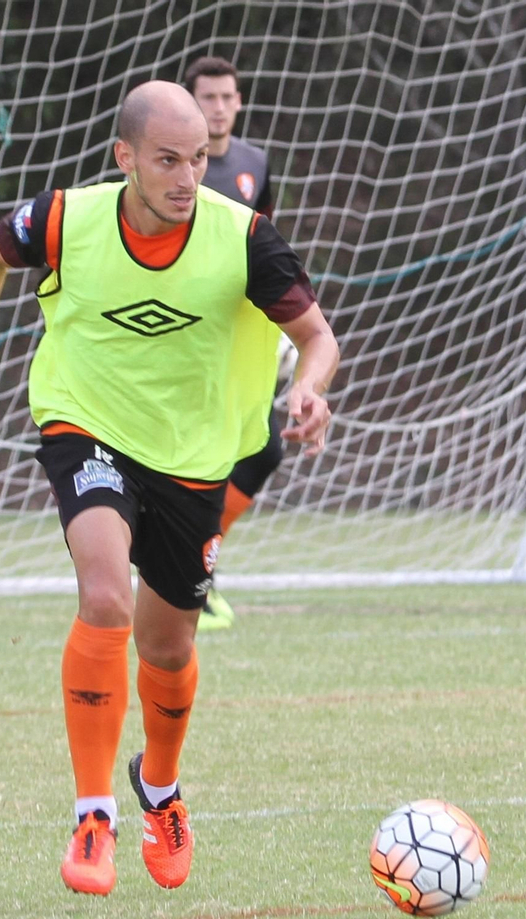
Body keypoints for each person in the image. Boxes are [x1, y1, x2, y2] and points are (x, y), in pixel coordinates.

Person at [0, 81, 339, 897]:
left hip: (193, 455)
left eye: (197, 160)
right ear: (126, 159)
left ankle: (158, 784)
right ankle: (93, 814)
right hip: (88, 424)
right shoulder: (66, 218)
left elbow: (316, 337)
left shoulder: (245, 239)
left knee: (168, 645)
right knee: (107, 597)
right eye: (167, 161)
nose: (188, 178)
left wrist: (312, 388)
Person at [184, 55, 284, 631]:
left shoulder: (254, 164)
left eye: (227, 97)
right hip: (187, 337)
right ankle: (190, 575)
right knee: (197, 455)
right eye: (208, 98)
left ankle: (201, 558)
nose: (218, 108)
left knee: (263, 448)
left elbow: (263, 246)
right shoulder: (174, 167)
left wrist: (280, 327)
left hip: (240, 336)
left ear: (238, 101)